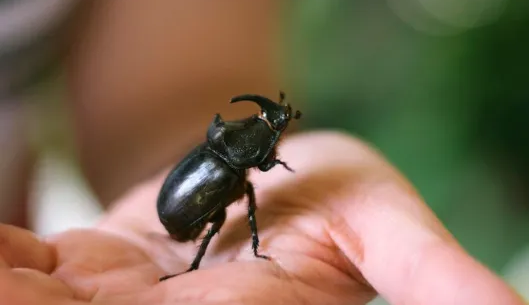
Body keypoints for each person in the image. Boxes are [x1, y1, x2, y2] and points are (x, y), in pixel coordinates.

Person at [0, 131, 525, 304]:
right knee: (222, 217)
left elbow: (155, 109)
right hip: (174, 215)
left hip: (167, 205)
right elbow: (234, 204)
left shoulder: (233, 159)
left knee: (234, 208)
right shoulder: (234, 175)